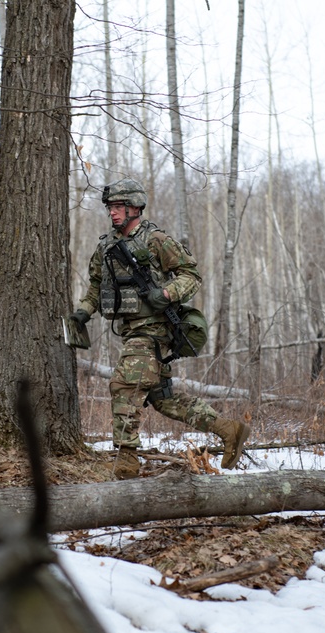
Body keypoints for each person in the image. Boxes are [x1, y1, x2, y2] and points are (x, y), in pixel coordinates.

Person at [69, 177, 250, 478]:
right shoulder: (106, 247)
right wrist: (82, 314)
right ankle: (229, 430)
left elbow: (191, 276)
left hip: (154, 331)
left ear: (134, 208)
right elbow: (96, 288)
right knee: (163, 399)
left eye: (118, 207)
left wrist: (166, 293)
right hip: (132, 331)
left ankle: (126, 461)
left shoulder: (156, 240)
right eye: (110, 208)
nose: (112, 213)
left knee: (124, 385)